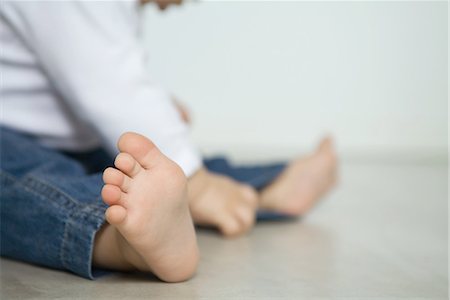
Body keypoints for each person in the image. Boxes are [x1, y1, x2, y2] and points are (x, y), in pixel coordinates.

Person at [0, 0, 337, 282]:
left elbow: (86, 66)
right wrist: (199, 186)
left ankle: (264, 188)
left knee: (142, 169)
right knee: (28, 191)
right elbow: (114, 85)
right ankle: (125, 242)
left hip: (66, 138)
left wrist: (158, 106)